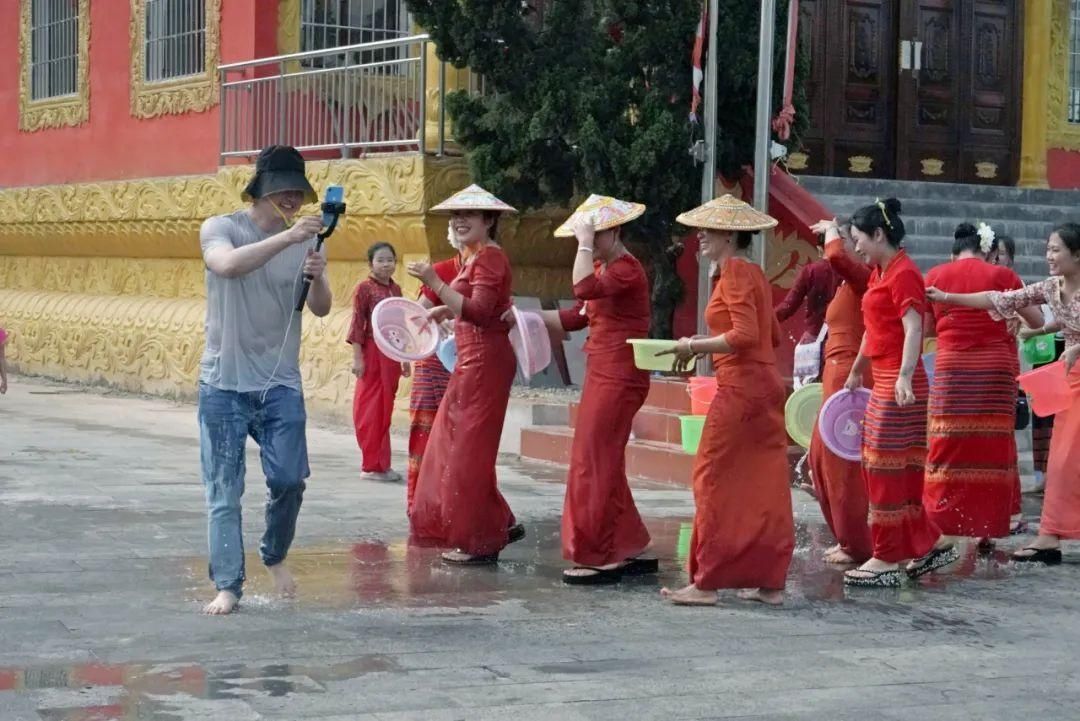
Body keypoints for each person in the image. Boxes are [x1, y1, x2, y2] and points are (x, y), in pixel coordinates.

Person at [197, 145, 332, 615]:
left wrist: (316, 275)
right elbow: (227, 265)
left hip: (280, 384)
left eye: (298, 191)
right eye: (283, 190)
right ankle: (229, 586)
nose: (292, 199)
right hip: (224, 384)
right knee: (224, 491)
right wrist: (289, 238)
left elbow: (321, 308)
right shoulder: (221, 228)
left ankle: (273, 553)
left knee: (291, 479)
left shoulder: (311, 240)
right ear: (261, 190)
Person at [658, 194, 794, 606]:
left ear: (730, 235)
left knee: (711, 473)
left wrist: (695, 345)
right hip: (764, 384)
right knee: (764, 479)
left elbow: (746, 336)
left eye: (709, 230)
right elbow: (769, 336)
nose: (700, 236)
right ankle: (770, 581)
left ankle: (709, 581)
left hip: (741, 388)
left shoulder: (734, 271)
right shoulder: (752, 271)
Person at [518, 194, 655, 585]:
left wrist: (582, 242)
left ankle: (600, 551)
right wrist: (521, 318)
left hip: (620, 374)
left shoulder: (626, 269)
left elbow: (581, 289)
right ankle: (627, 541)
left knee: (592, 458)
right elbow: (576, 316)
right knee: (602, 457)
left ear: (613, 233)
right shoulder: (606, 268)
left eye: (596, 236)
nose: (590, 243)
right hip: (604, 371)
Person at [928, 223, 1080, 564]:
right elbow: (1001, 299)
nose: (1049, 256)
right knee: (1060, 461)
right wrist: (949, 298)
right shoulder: (1052, 287)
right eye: (1048, 249)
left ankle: (1048, 536)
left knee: (1066, 460)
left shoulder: (1067, 289)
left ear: (1077, 254)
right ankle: (1048, 537)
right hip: (1063, 379)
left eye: (1056, 250)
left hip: (1068, 368)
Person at [841, 198, 955, 587]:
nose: (856, 247)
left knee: (886, 467)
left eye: (859, 240)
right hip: (885, 379)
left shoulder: (904, 273)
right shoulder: (879, 273)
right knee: (888, 467)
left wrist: (905, 376)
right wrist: (858, 368)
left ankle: (887, 557)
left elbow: (913, 329)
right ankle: (931, 544)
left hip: (898, 383)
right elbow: (876, 329)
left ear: (879, 234)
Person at [406, 185, 521, 565]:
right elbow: (470, 308)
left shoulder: (489, 259)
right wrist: (443, 310)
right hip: (471, 360)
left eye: (469, 214)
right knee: (459, 448)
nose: (459, 220)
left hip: (485, 362)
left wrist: (435, 284)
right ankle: (496, 523)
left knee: (467, 453)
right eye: (455, 215)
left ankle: (480, 540)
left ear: (489, 220)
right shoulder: (476, 258)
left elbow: (482, 312)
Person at [922, 223, 1042, 546]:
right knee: (991, 447)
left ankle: (941, 526)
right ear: (987, 251)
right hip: (995, 372)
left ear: (954, 250)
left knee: (947, 446)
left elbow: (926, 331)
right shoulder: (1003, 277)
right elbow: (1038, 321)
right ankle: (986, 530)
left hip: (952, 369)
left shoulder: (933, 276)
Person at [805, 218, 873, 565]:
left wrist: (833, 229)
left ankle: (857, 543)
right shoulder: (850, 282)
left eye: (855, 240)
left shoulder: (866, 277)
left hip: (851, 374)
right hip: (835, 374)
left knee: (842, 462)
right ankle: (847, 536)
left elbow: (834, 255)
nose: (853, 247)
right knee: (821, 456)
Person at [406, 228, 462, 517]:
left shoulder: (491, 269)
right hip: (434, 363)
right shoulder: (441, 271)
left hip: (470, 363)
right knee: (426, 432)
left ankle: (453, 507)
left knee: (461, 437)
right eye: (457, 222)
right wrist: (440, 318)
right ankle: (420, 506)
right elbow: (415, 319)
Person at [346, 242, 409, 483]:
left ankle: (382, 464)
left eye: (390, 259)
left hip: (392, 354)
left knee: (385, 409)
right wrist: (358, 358)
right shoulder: (364, 289)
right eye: (381, 260)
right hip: (372, 353)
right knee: (369, 408)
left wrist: (404, 358)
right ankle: (371, 465)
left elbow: (401, 327)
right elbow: (357, 325)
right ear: (370, 263)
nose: (386, 264)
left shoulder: (396, 290)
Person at [774, 247, 840, 345]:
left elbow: (788, 306)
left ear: (819, 248)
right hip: (841, 338)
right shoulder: (850, 271)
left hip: (814, 338)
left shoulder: (810, 271)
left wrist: (765, 319)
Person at [0, 326, 8, 395]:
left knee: (3, 372)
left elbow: (3, 344)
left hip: (1, 357)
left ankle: (4, 385)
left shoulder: (1, 332)